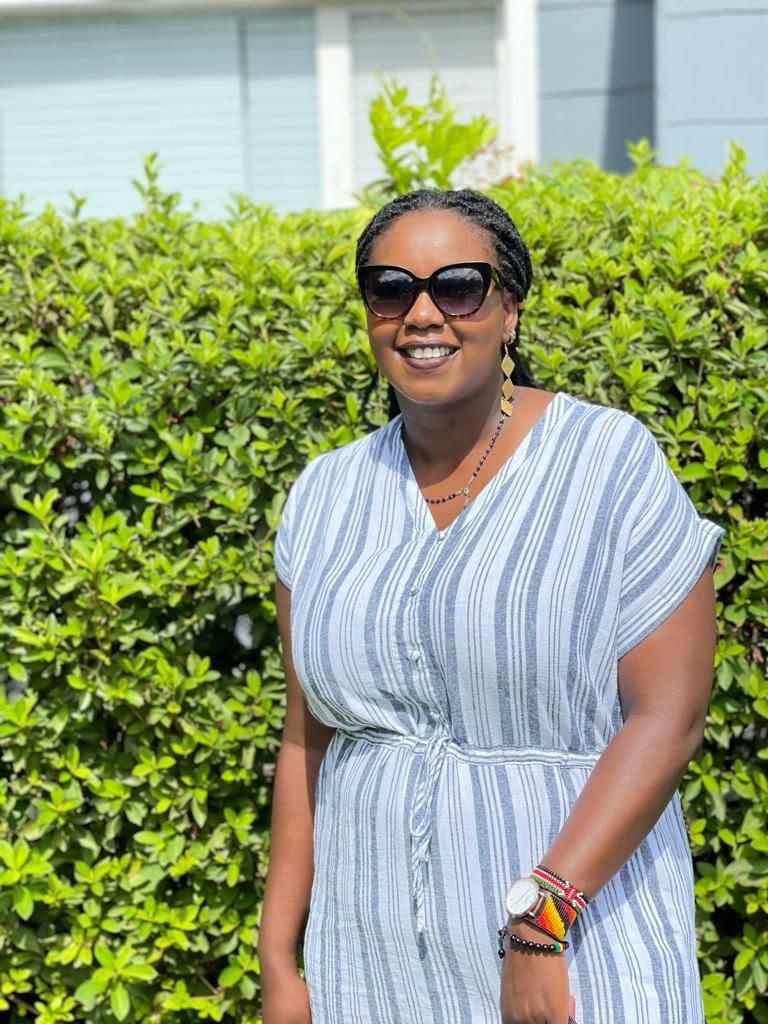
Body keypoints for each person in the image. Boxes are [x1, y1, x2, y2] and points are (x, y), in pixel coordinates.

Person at [258, 188, 725, 1024]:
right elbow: (306, 733)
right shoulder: (323, 494)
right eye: (391, 289)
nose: (422, 314)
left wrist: (540, 923)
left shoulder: (607, 462)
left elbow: (668, 719)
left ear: (509, 309)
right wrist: (279, 957)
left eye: (460, 286)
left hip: (577, 935)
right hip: (369, 957)